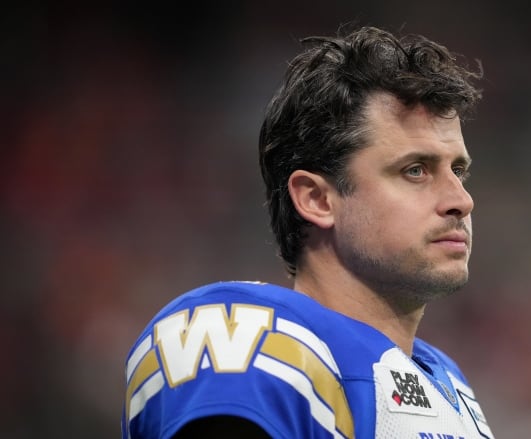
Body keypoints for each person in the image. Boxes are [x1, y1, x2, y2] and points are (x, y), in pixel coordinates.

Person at [122, 25, 493, 438]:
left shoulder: (448, 384)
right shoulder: (243, 341)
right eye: (415, 170)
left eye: (458, 170)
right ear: (316, 199)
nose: (461, 199)